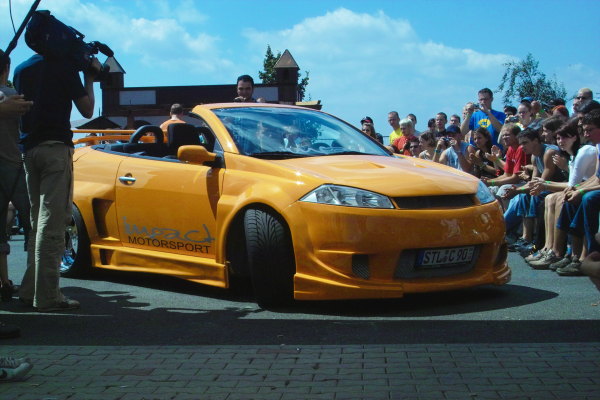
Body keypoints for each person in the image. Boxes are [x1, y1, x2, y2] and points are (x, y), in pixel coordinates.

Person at [14, 47, 101, 311]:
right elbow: (87, 109)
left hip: (29, 150)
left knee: (37, 223)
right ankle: (48, 296)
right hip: (55, 148)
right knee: (52, 223)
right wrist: (89, 78)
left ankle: (30, 290)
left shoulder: (21, 69)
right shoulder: (64, 67)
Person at [528, 122, 598, 270]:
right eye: (558, 138)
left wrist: (546, 184)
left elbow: (573, 183)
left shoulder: (585, 151)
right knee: (550, 198)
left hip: (590, 191)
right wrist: (546, 183)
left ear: (574, 137)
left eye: (564, 137)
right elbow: (577, 183)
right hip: (586, 187)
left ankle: (564, 252)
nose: (560, 141)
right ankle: (549, 248)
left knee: (563, 198)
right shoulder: (573, 155)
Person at [0, 51, 32, 302]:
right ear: (7, 69)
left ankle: (4, 281)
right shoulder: (13, 96)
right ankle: (33, 283)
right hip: (13, 163)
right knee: (33, 222)